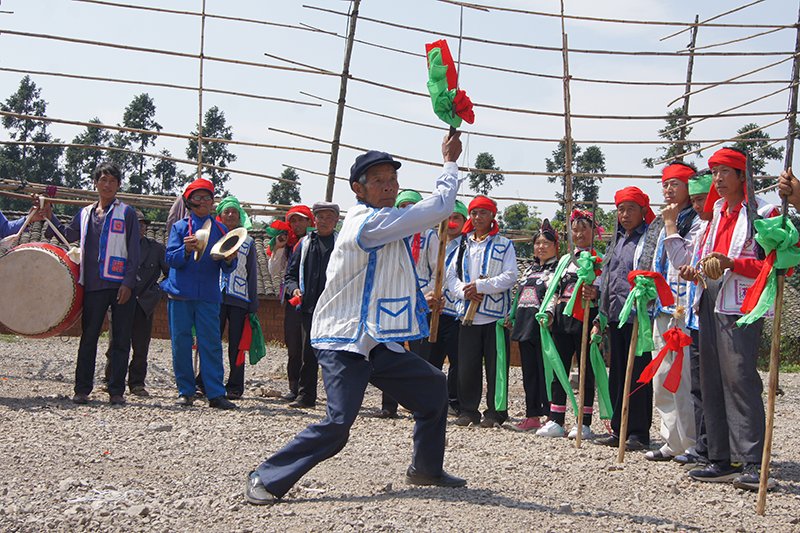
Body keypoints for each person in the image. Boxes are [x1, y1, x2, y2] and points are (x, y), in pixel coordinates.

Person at [245, 136, 467, 505]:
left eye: (392, 181)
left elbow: (386, 280)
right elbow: (440, 207)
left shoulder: (387, 226)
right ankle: (266, 477)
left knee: (432, 388)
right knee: (338, 425)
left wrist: (421, 299)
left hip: (375, 339)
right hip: (343, 340)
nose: (388, 187)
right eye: (379, 180)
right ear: (358, 189)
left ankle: (425, 468)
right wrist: (449, 164)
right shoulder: (366, 223)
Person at [679, 147, 778, 490]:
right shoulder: (717, 213)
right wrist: (696, 270)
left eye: (725, 172)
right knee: (710, 377)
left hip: (743, 302)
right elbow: (708, 257)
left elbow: (774, 264)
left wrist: (732, 264)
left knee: (739, 377)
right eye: (714, 172)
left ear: (742, 176)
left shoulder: (763, 212)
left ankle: (751, 460)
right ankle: (720, 457)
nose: (718, 179)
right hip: (710, 295)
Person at [43, 161, 140, 406]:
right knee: (89, 337)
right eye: (103, 180)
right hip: (94, 284)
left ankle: (116, 390)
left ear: (118, 185)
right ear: (96, 183)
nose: (107, 185)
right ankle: (82, 388)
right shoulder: (85, 214)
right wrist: (49, 216)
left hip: (120, 285)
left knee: (121, 339)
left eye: (112, 181)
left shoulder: (127, 213)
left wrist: (128, 282)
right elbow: (68, 235)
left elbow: (134, 251)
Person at [161, 178, 238, 410]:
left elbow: (228, 266)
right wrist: (185, 249)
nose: (202, 201)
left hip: (208, 295)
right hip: (180, 293)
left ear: (213, 201)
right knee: (181, 343)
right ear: (189, 201)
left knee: (211, 343)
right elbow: (170, 259)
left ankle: (215, 393)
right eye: (197, 197)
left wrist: (229, 260)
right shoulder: (180, 228)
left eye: (207, 197)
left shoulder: (222, 230)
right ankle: (185, 391)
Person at [645, 163, 701, 462]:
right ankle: (671, 440)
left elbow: (686, 261)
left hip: (685, 306)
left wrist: (670, 225)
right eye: (666, 184)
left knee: (684, 379)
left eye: (676, 184)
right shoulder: (661, 218)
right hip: (662, 305)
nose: (669, 189)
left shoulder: (697, 218)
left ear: (691, 187)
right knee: (663, 376)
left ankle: (692, 442)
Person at [447, 195, 518, 428]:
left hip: (495, 316)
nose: (478, 217)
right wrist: (464, 292)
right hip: (468, 316)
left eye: (483, 213)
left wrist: (481, 287)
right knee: (467, 367)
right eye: (474, 213)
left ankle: (496, 413)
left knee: (497, 367)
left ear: (492, 216)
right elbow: (451, 277)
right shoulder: (462, 244)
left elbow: (510, 276)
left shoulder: (504, 244)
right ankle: (468, 411)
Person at [594, 186, 655, 451]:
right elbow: (607, 276)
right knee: (617, 372)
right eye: (621, 209)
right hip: (616, 314)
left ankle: (639, 432)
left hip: (639, 314)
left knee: (639, 373)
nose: (625, 214)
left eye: (631, 209)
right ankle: (619, 427)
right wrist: (601, 310)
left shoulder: (650, 237)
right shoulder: (615, 240)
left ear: (643, 211)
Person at [376, 189, 440, 419]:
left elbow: (436, 270)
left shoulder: (430, 236)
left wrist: (425, 295)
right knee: (390, 351)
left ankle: (418, 404)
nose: (407, 211)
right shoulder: (390, 234)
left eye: (412, 206)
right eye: (402, 206)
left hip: (421, 301)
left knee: (419, 355)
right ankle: (389, 405)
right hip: (393, 298)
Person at [538, 211, 602, 440]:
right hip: (562, 321)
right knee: (558, 369)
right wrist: (548, 312)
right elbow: (554, 288)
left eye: (584, 229)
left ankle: (583, 423)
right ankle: (556, 419)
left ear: (595, 232)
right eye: (575, 230)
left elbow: (604, 292)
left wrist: (596, 297)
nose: (579, 234)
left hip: (585, 318)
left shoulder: (600, 260)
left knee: (585, 372)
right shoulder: (566, 260)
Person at [195, 196, 258, 400]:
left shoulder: (248, 242)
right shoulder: (212, 236)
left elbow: (252, 273)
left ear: (240, 216)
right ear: (219, 215)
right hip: (215, 296)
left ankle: (235, 385)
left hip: (240, 298)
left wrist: (253, 305)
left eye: (234, 212)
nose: (230, 215)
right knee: (211, 340)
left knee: (237, 345)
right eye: (226, 212)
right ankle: (203, 382)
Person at [672, 171, 715, 467]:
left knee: (727, 385)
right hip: (695, 311)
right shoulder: (697, 226)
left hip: (725, 312)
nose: (699, 205)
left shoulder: (740, 219)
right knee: (696, 384)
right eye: (697, 200)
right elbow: (683, 262)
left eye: (703, 198)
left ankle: (735, 455)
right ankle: (704, 447)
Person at [103, 209, 169, 396]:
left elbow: (169, 273)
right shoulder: (117, 247)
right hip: (120, 301)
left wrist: (158, 292)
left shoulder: (156, 248)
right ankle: (111, 379)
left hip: (144, 304)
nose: (140, 228)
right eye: (135, 224)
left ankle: (137, 383)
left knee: (141, 346)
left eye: (142, 225)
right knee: (116, 343)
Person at [283, 201, 340, 409]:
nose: (324, 221)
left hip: (334, 309)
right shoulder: (305, 244)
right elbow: (290, 274)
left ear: (336, 221)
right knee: (308, 353)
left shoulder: (342, 244)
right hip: (308, 307)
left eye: (329, 217)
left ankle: (337, 399)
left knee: (335, 355)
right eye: (320, 217)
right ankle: (306, 396)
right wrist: (294, 287)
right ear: (314, 220)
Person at [509, 220, 559, 432]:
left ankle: (551, 414)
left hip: (545, 327)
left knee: (546, 371)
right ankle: (532, 415)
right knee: (529, 372)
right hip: (525, 325)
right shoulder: (529, 269)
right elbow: (518, 297)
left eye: (546, 242)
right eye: (537, 243)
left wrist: (549, 316)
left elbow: (556, 294)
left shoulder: (558, 268)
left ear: (556, 246)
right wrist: (510, 317)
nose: (541, 246)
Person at [267, 205, 315, 402]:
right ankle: (294, 387)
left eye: (300, 220)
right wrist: (278, 247)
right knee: (294, 344)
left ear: (309, 222)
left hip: (314, 299)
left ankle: (308, 389)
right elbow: (273, 270)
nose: (296, 225)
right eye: (292, 221)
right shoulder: (287, 245)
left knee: (310, 347)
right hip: (293, 299)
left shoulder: (316, 242)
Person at [427, 200, 468, 417]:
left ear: (464, 222)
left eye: (457, 218)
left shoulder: (468, 245)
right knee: (431, 357)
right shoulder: (433, 240)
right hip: (432, 308)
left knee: (456, 359)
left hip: (455, 310)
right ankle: (431, 399)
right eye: (448, 218)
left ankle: (454, 401)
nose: (451, 223)